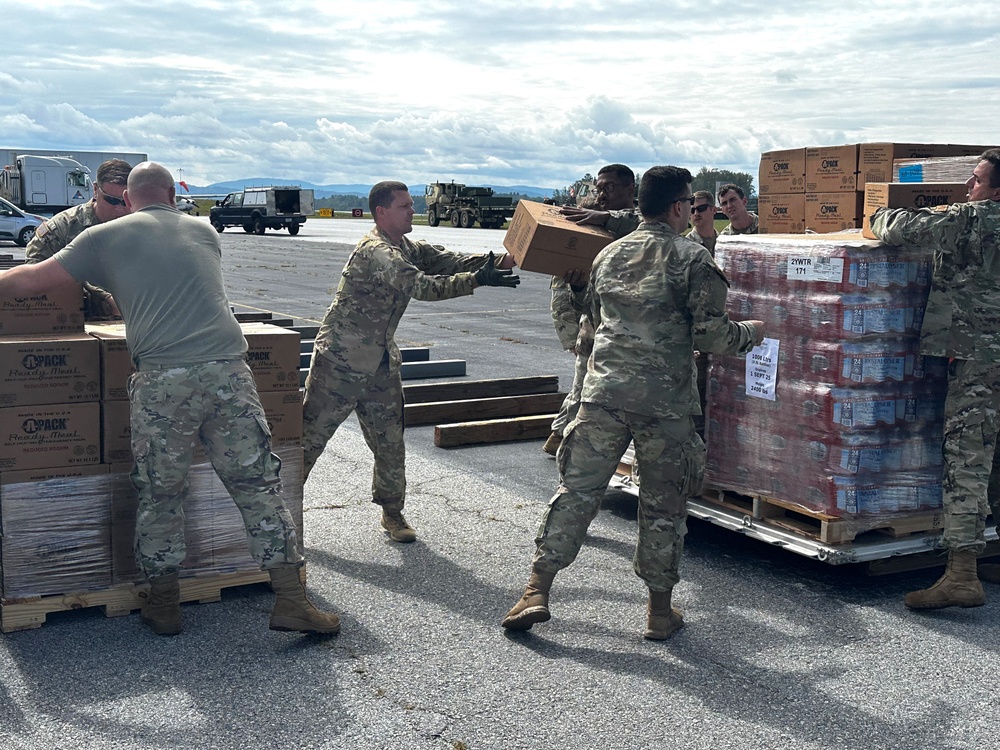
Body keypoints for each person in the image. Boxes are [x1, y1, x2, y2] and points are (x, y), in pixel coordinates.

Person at [0, 162, 339, 638]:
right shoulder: (204, 233)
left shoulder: (105, 237)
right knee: (257, 485)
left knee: (161, 493)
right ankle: (291, 599)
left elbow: (33, 279)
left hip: (164, 382)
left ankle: (164, 606)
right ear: (170, 194)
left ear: (131, 197)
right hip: (228, 373)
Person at [502, 166, 765, 639]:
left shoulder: (608, 255)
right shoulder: (692, 259)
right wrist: (752, 334)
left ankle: (536, 589)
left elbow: (593, 319)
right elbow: (710, 335)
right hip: (665, 405)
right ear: (679, 207)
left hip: (603, 395)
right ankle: (659, 613)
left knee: (577, 491)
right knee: (663, 506)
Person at [301, 180, 520, 543]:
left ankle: (392, 514)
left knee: (390, 442)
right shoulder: (377, 251)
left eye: (411, 204)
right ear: (382, 212)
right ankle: (281, 511)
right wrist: (479, 280)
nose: (412, 210)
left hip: (380, 364)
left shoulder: (402, 246)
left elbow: (445, 259)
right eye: (404, 206)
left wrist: (496, 261)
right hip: (340, 364)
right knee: (309, 441)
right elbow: (423, 287)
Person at [869, 148, 1000, 610]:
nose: (968, 188)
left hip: (981, 358)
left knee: (967, 454)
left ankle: (962, 572)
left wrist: (878, 211)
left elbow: (903, 229)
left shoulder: (974, 218)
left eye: (977, 180)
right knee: (995, 451)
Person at [542, 164, 641, 455]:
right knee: (583, 386)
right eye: (599, 187)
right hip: (590, 322)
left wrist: (605, 217)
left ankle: (563, 438)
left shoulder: (632, 220)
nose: (601, 194)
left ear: (629, 189)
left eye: (609, 187)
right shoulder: (592, 220)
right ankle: (564, 442)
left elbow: (640, 222)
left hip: (623, 325)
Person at [25, 158, 132, 319]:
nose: (119, 208)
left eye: (125, 201)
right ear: (96, 190)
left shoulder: (138, 226)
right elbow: (35, 277)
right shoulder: (61, 228)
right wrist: (103, 296)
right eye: (111, 200)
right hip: (75, 321)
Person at [687, 190, 719, 255]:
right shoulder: (686, 244)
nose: (696, 213)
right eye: (692, 210)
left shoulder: (722, 240)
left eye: (701, 208)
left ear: (714, 210)